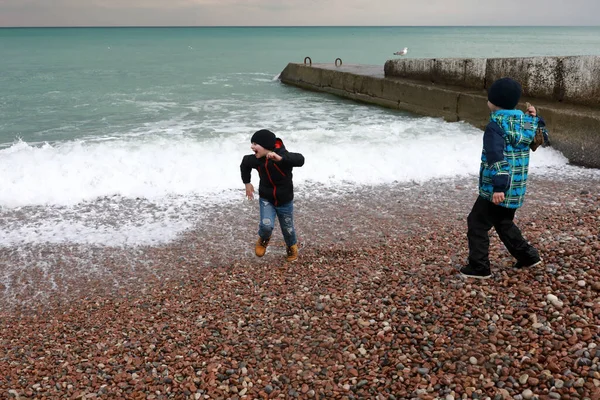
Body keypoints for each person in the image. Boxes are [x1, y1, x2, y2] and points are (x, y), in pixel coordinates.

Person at [460, 77, 548, 279]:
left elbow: (496, 156)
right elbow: (541, 137)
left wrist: (498, 187)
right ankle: (528, 256)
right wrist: (535, 119)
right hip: (516, 187)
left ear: (493, 102)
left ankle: (479, 266)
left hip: (497, 188)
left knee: (477, 222)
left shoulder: (495, 126)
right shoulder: (525, 122)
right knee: (503, 222)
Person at [240, 129, 305, 262]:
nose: (252, 147)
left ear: (265, 146)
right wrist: (247, 183)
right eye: (252, 143)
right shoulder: (256, 160)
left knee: (288, 229)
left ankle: (291, 246)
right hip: (266, 199)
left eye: (255, 144)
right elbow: (244, 163)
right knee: (266, 225)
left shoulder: (282, 157)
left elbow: (300, 159)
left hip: (285, 200)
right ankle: (263, 239)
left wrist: (281, 159)